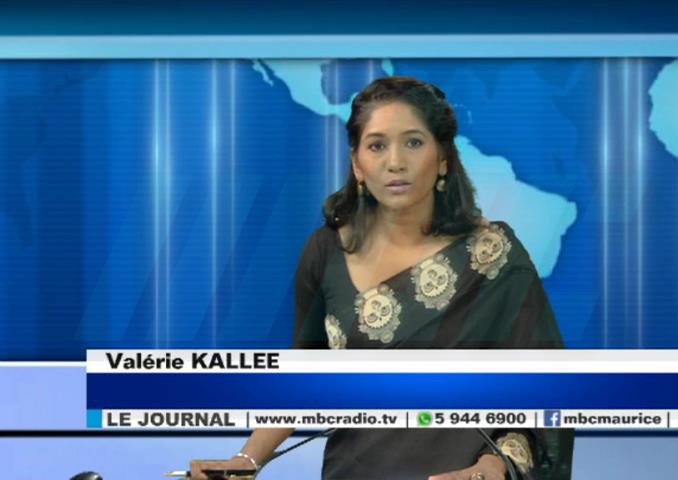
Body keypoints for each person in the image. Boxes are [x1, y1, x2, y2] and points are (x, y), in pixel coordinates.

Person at [191, 76, 573, 479]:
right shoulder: (324, 251)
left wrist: (493, 468)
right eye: (377, 145)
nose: (395, 162)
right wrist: (247, 459)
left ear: (443, 157)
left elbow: (545, 391)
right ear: (357, 164)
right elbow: (306, 374)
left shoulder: (494, 257)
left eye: (413, 142)